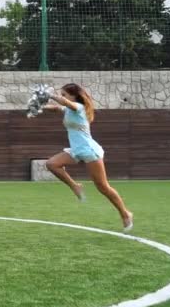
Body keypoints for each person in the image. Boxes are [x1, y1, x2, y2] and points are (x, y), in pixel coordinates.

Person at [43, 83, 134, 232]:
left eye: (64, 94)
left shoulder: (79, 108)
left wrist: (50, 94)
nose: (62, 96)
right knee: (52, 164)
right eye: (61, 94)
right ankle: (75, 186)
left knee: (103, 187)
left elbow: (64, 103)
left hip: (89, 151)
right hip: (76, 150)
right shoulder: (68, 109)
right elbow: (56, 108)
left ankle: (125, 213)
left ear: (73, 96)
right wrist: (37, 107)